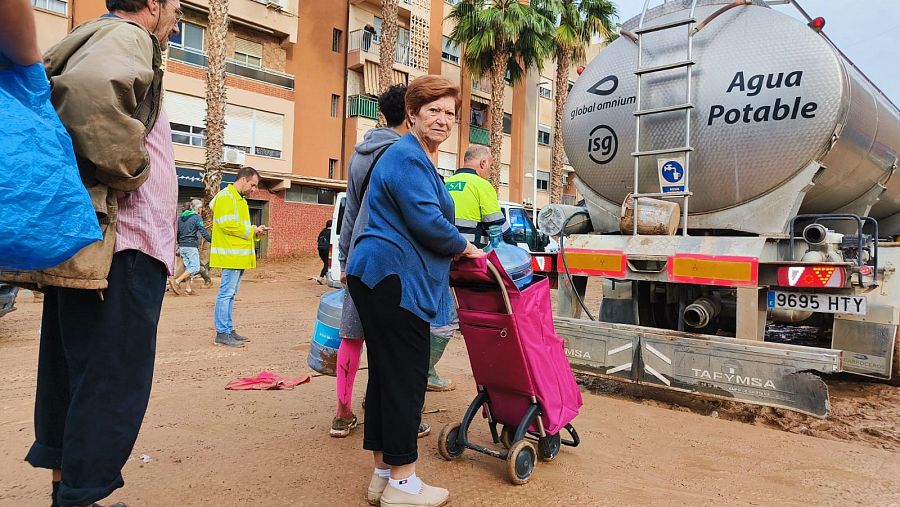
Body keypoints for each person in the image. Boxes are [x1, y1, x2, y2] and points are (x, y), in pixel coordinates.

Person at [4, 0, 182, 504]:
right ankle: (82, 496)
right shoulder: (129, 37)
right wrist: (131, 168)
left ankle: (70, 493)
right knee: (112, 378)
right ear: (151, 5)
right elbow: (88, 97)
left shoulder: (85, 37)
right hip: (123, 245)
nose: (175, 20)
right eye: (173, 8)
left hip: (94, 245)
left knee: (74, 373)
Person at [346, 75, 483, 507]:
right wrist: (466, 247)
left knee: (387, 378)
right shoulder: (407, 156)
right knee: (404, 379)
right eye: (433, 111)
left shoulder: (414, 155)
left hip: (380, 277)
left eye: (449, 112)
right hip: (393, 280)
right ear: (412, 114)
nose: (443, 119)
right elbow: (426, 220)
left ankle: (384, 474)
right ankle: (404, 483)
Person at [333, 84, 436, 440]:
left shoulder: (361, 152)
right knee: (394, 348)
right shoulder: (404, 153)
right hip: (391, 258)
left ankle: (343, 412)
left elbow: (349, 212)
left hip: (359, 256)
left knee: (354, 335)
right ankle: (401, 415)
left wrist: (345, 258)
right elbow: (419, 216)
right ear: (411, 113)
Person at [210, 166, 268, 347]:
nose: (254, 189)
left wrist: (256, 233)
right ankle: (222, 332)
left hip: (238, 256)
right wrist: (252, 229)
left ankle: (228, 329)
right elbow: (228, 225)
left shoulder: (239, 200)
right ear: (243, 180)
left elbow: (240, 228)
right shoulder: (226, 197)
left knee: (230, 294)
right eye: (253, 184)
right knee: (226, 294)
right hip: (230, 255)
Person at [169, 199, 211, 295]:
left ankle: (188, 289)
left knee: (188, 268)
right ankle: (176, 281)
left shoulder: (180, 218)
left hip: (182, 246)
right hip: (191, 246)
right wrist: (212, 240)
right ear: (197, 208)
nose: (201, 210)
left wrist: (180, 244)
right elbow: (203, 232)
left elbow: (177, 233)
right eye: (200, 208)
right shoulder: (196, 218)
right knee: (195, 267)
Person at [316, 219, 332, 284]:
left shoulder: (322, 231)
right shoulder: (331, 232)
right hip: (327, 250)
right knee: (327, 264)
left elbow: (318, 241)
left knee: (326, 264)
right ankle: (321, 277)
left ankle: (325, 277)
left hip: (320, 250)